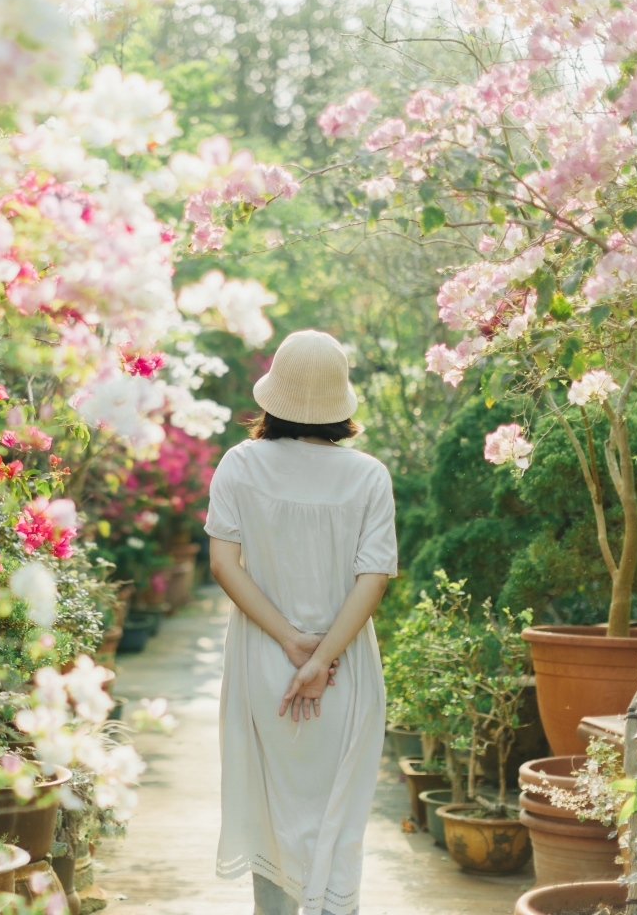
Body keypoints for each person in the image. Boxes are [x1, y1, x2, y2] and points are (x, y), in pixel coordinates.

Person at [205, 329, 396, 915]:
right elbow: (374, 577)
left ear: (273, 397)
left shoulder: (239, 464)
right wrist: (320, 659)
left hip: (264, 664)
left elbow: (222, 564)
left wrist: (290, 640)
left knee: (272, 815)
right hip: (344, 670)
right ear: (341, 404)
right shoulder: (368, 477)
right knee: (336, 820)